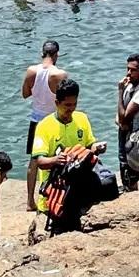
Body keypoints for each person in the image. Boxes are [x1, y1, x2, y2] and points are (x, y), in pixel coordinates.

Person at [30, 78, 108, 226]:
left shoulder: (82, 119)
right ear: (57, 103)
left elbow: (89, 146)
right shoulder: (44, 126)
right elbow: (40, 161)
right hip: (54, 195)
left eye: (74, 104)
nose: (71, 109)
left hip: (80, 191)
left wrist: (96, 148)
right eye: (66, 105)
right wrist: (56, 160)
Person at [22, 40, 69, 210]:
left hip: (35, 120)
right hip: (53, 122)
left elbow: (25, 94)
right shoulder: (60, 74)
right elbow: (65, 101)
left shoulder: (31, 71)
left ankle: (29, 201)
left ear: (42, 53)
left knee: (34, 161)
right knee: (59, 159)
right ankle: (57, 198)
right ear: (56, 54)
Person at [116, 54, 139, 191]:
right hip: (124, 134)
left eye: (133, 70)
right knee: (124, 167)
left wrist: (119, 92)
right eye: (128, 69)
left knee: (129, 172)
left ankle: (132, 195)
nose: (129, 73)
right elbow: (120, 114)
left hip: (133, 139)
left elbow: (125, 117)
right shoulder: (129, 88)